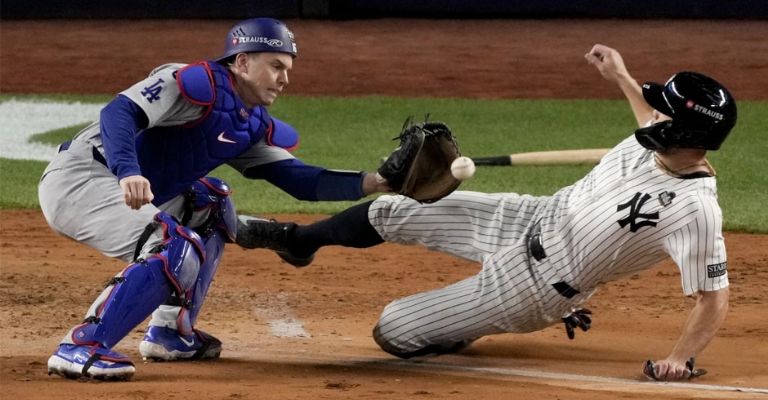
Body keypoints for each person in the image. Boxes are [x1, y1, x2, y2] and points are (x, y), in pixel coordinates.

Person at [239, 44, 736, 381]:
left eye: (665, 113)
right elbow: (647, 114)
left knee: (394, 330)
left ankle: (465, 324)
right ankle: (299, 241)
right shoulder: (661, 137)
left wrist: (680, 359)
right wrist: (621, 75)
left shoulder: (694, 212)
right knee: (394, 208)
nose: (655, 114)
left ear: (684, 135)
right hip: (529, 216)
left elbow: (712, 298)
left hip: (537, 287)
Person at [39, 17, 389, 381]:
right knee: (173, 244)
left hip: (127, 188)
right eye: (275, 66)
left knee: (212, 205)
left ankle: (172, 332)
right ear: (241, 62)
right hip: (82, 179)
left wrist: (378, 182)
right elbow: (119, 112)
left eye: (287, 68)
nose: (285, 79)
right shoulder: (189, 82)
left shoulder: (249, 123)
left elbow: (300, 180)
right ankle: (81, 346)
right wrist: (128, 170)